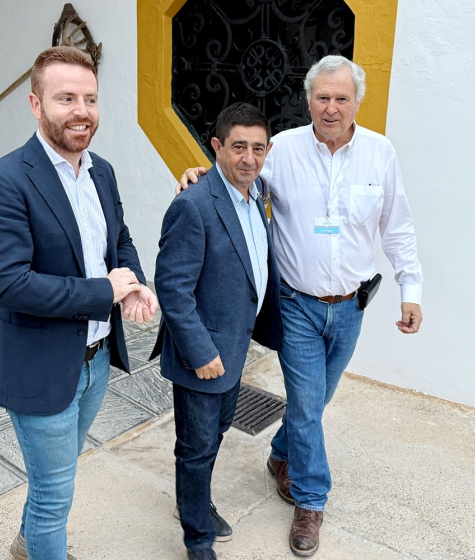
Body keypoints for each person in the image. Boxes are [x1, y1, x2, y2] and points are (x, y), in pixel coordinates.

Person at [177, 55, 424, 557]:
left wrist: (410, 288)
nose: (332, 108)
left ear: (357, 102)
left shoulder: (380, 153)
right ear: (308, 100)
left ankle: (280, 454)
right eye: (322, 97)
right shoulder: (282, 149)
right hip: (296, 305)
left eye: (341, 98)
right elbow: (237, 178)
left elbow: (397, 226)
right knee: (308, 405)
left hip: (351, 307)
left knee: (316, 401)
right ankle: (311, 501)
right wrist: (199, 173)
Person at [0, 46, 157, 560]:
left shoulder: (102, 172)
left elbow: (118, 240)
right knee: (55, 496)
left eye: (90, 99)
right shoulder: (4, 181)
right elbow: (6, 285)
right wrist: (104, 293)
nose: (82, 111)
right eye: (66, 98)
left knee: (55, 478)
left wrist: (134, 283)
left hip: (95, 362)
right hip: (41, 368)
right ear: (36, 104)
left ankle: (25, 545)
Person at [151, 103, 284, 560]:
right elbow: (172, 287)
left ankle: (194, 499)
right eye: (238, 147)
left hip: (233, 346)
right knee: (196, 447)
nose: (249, 158)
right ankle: (198, 539)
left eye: (258, 148)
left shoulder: (256, 192)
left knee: (214, 433)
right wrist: (200, 352)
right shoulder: (193, 205)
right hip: (203, 353)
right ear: (217, 147)